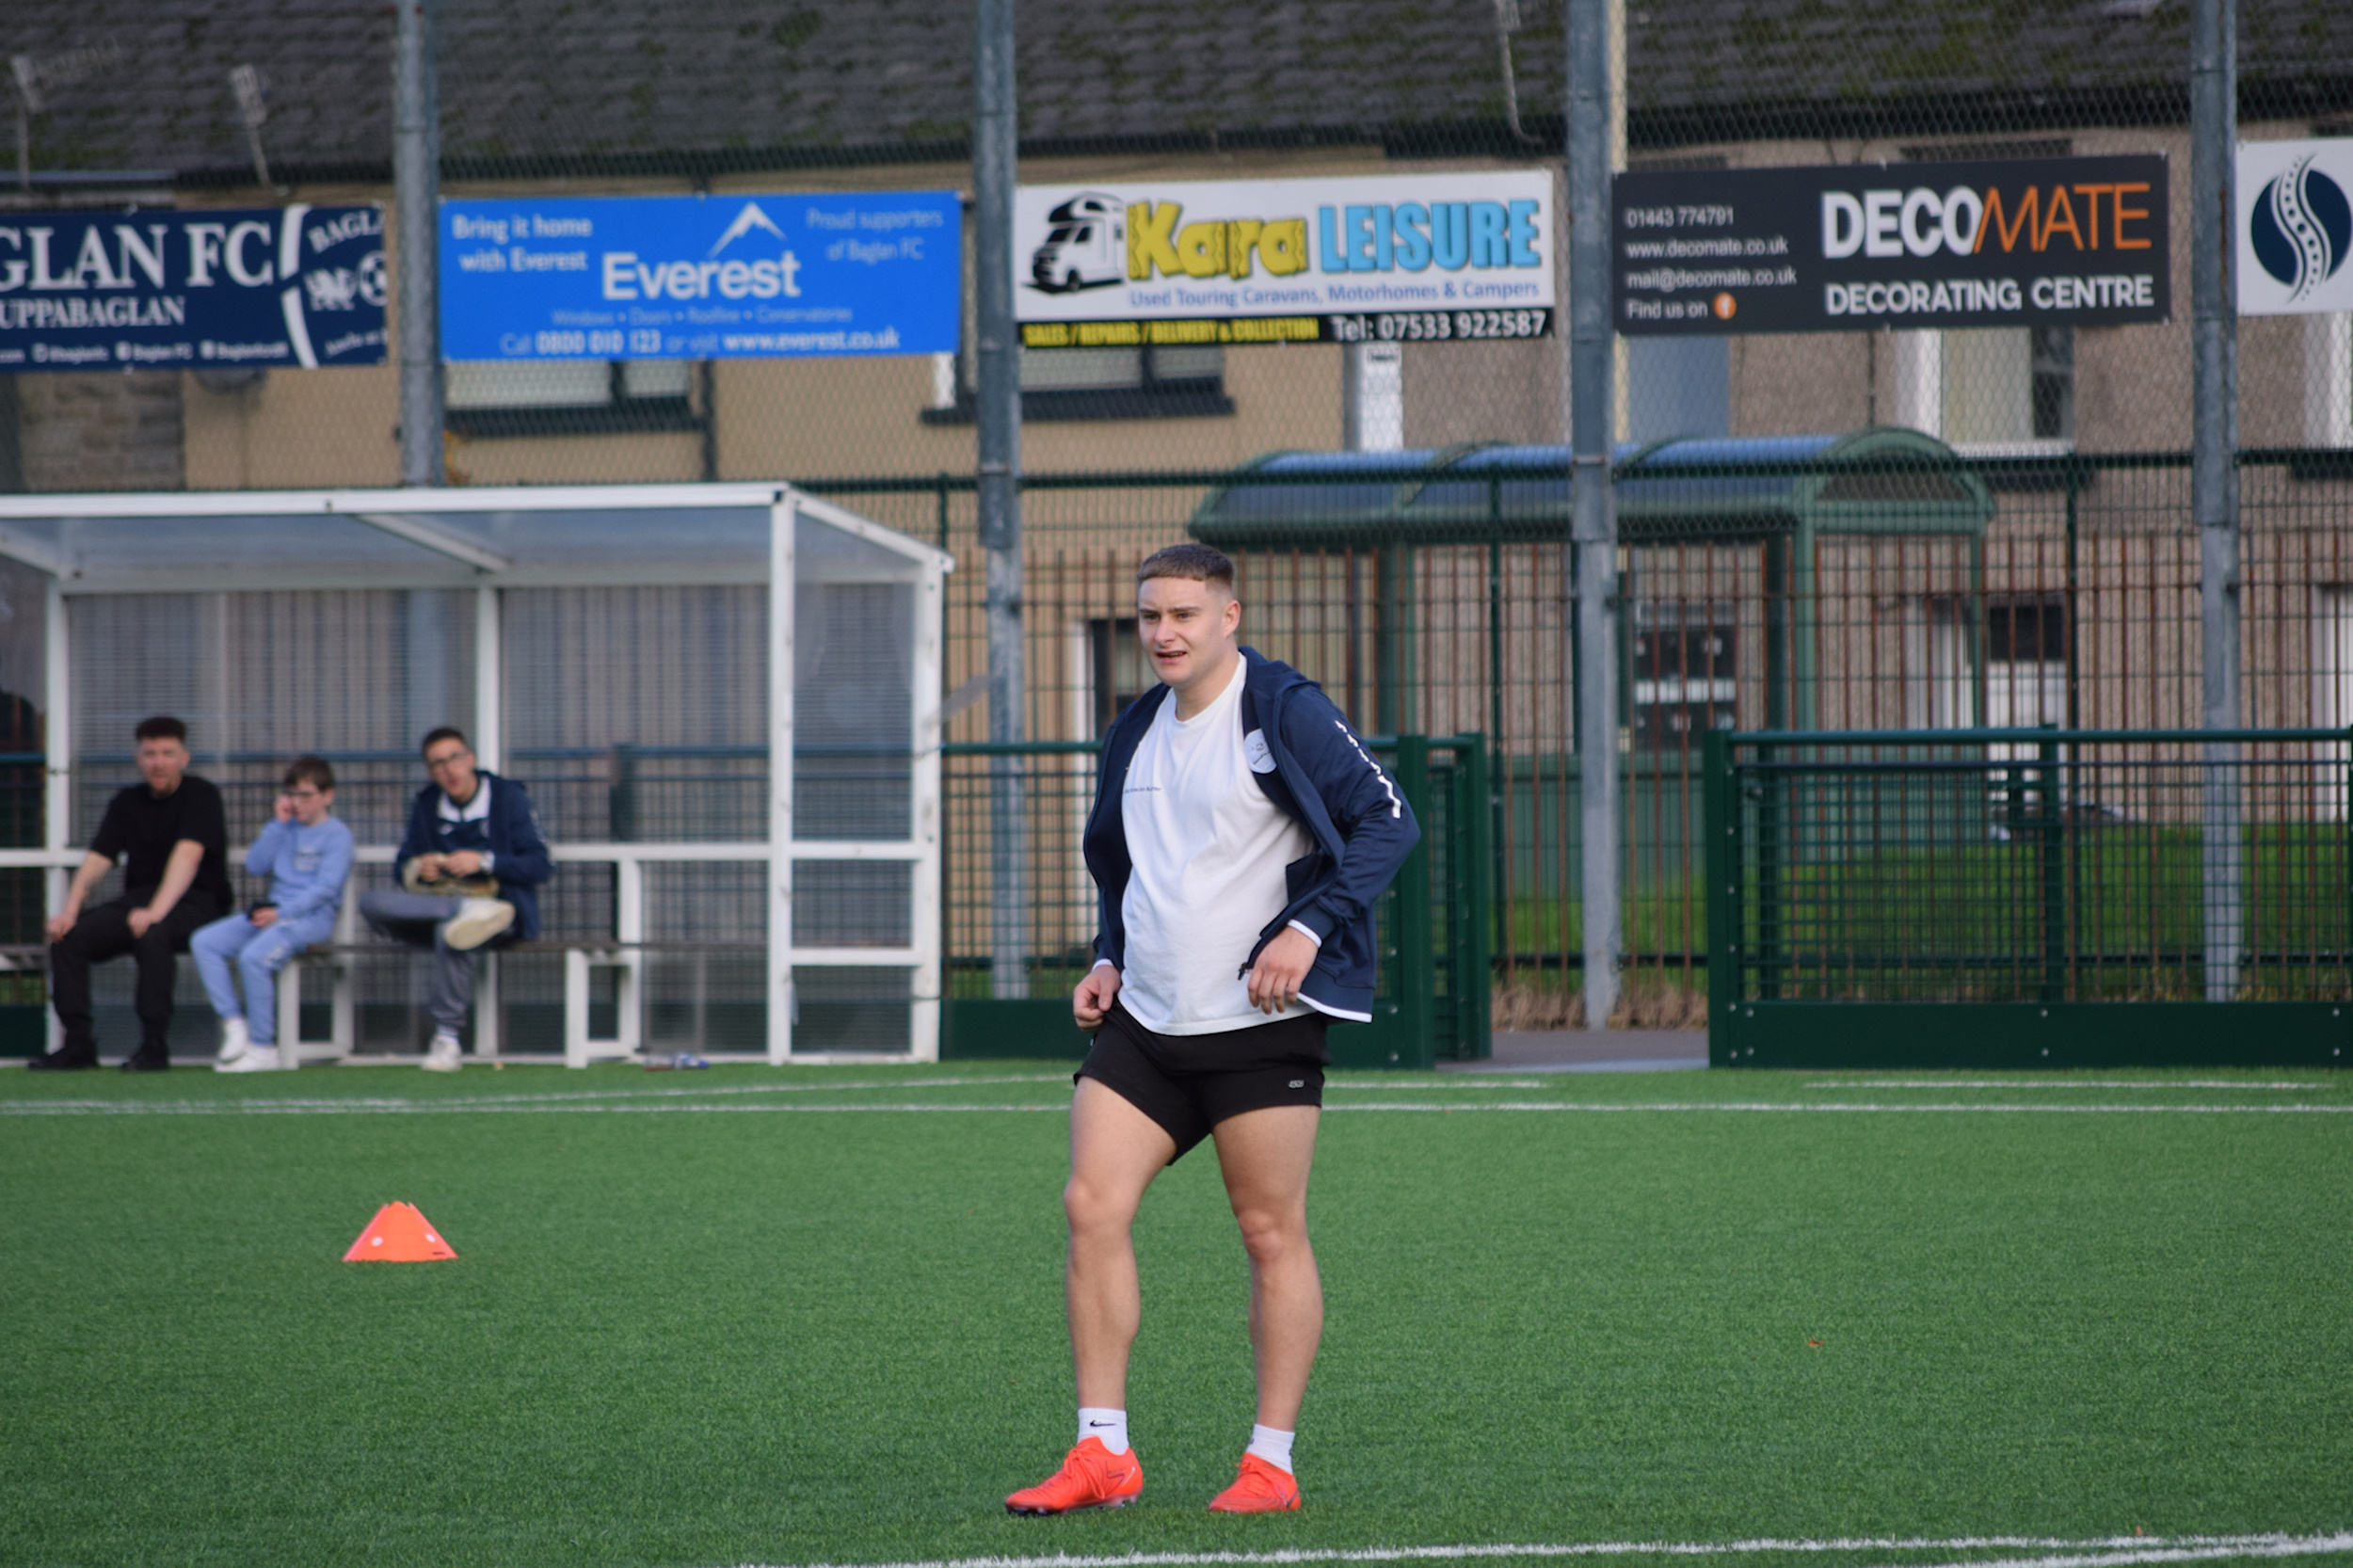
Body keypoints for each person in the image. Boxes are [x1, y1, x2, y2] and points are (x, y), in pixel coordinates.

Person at [1005, 544, 1418, 1518]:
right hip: (1145, 1020)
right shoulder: (1132, 730)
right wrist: (1108, 954)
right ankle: (1101, 1450)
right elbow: (1123, 863)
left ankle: (1269, 1464)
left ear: (1229, 615)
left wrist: (1311, 927)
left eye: (1185, 613)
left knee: (1269, 1233)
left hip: (1259, 1026)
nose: (1163, 633)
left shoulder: (1282, 708)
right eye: (1150, 615)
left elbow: (1387, 822)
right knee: (1089, 1206)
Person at [31, 715, 235, 1072]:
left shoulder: (202, 795)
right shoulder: (127, 801)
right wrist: (69, 912)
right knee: (67, 939)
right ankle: (78, 1045)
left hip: (199, 903)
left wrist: (155, 912)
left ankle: (154, 1047)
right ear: (138, 758)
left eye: (167, 753)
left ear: (184, 758)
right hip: (140, 902)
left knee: (151, 935)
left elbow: (187, 857)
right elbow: (98, 859)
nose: (159, 762)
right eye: (150, 753)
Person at [359, 727, 550, 1072]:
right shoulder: (427, 803)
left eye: (455, 758)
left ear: (471, 760)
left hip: (503, 913)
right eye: (438, 763)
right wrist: (421, 867)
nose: (449, 769)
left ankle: (446, 1038)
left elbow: (540, 864)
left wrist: (484, 861)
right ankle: (464, 908)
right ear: (431, 772)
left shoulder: (508, 798)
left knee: (453, 931)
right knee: (371, 902)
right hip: (440, 905)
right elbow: (403, 864)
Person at [195, 756, 356, 1074]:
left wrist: (282, 913)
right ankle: (235, 1025)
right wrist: (277, 826)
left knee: (253, 957)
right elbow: (256, 865)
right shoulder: (283, 828)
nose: (297, 803)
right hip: (272, 914)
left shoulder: (338, 835)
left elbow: (325, 889)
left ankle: (262, 1046)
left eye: (306, 795)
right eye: (292, 794)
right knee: (205, 942)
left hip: (311, 920)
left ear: (327, 795)